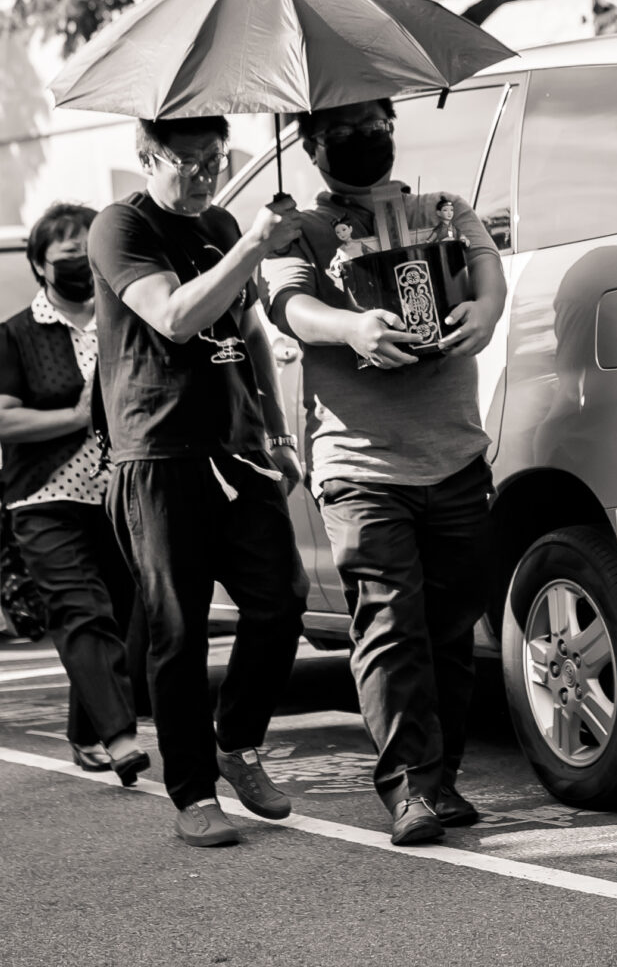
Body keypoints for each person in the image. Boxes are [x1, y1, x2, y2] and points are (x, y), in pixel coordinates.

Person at [261, 98, 507, 845]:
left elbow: (489, 271)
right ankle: (410, 789)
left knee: (450, 627)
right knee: (391, 627)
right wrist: (353, 326)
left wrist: (487, 312)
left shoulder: (443, 209)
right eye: (342, 131)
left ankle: (441, 780)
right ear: (308, 144)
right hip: (360, 465)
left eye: (375, 125)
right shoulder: (294, 228)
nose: (364, 140)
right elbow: (288, 305)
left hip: (456, 453)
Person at [90, 115, 309, 849]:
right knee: (179, 632)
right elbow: (176, 317)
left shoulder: (217, 221)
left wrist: (275, 430)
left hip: (232, 447)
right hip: (157, 453)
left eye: (217, 158)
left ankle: (238, 740)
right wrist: (253, 245)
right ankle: (192, 792)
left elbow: (247, 330)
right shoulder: (120, 227)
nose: (209, 173)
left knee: (282, 601)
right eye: (191, 161)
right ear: (150, 156)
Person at [0, 202, 149, 784]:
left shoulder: (125, 317)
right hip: (45, 497)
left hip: (122, 492)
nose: (80, 263)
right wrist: (75, 418)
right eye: (67, 255)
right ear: (39, 266)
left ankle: (86, 730)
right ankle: (123, 739)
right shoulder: (14, 335)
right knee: (82, 611)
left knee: (122, 619)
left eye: (88, 252)